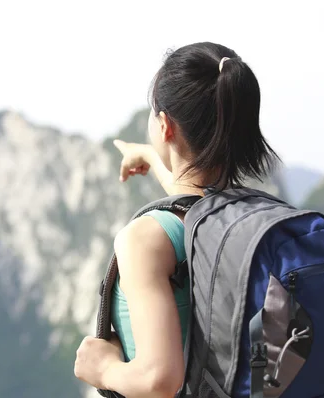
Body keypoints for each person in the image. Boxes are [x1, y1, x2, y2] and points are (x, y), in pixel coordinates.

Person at [74, 42, 279, 397]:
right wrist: (153, 158)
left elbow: (159, 380)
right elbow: (195, 199)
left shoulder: (144, 239)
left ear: (165, 125)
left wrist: (102, 368)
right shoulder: (244, 218)